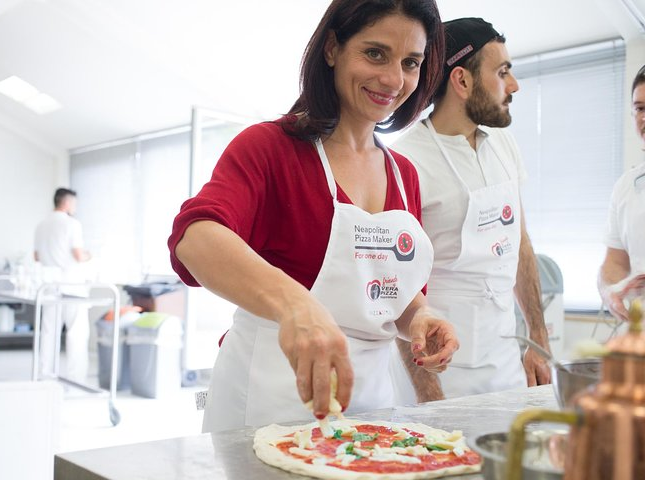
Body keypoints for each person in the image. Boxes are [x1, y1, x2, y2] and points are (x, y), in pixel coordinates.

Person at [168, 0, 459, 433]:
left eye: (410, 62)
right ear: (331, 49)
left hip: (368, 411)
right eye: (375, 53)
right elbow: (195, 236)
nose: (393, 79)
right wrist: (295, 305)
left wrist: (417, 316)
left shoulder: (405, 176)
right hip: (269, 406)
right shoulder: (271, 148)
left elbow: (390, 294)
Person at [390, 17, 551, 400]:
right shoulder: (405, 160)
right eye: (502, 72)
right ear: (461, 81)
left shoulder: (504, 145)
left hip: (505, 361)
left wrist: (537, 339)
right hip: (438, 370)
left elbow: (519, 243)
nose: (513, 85)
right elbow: (396, 286)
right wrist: (431, 398)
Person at [598, 65, 645, 320]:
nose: (644, 118)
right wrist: (611, 292)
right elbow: (614, 262)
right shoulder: (626, 187)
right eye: (640, 108)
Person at [34, 188, 92, 382]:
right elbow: (78, 255)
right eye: (74, 203)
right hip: (71, 284)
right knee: (76, 331)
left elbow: (36, 256)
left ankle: (44, 374)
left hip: (49, 284)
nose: (75, 207)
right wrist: (89, 255)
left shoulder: (41, 225)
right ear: (67, 203)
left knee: (49, 331)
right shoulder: (72, 224)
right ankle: (76, 378)